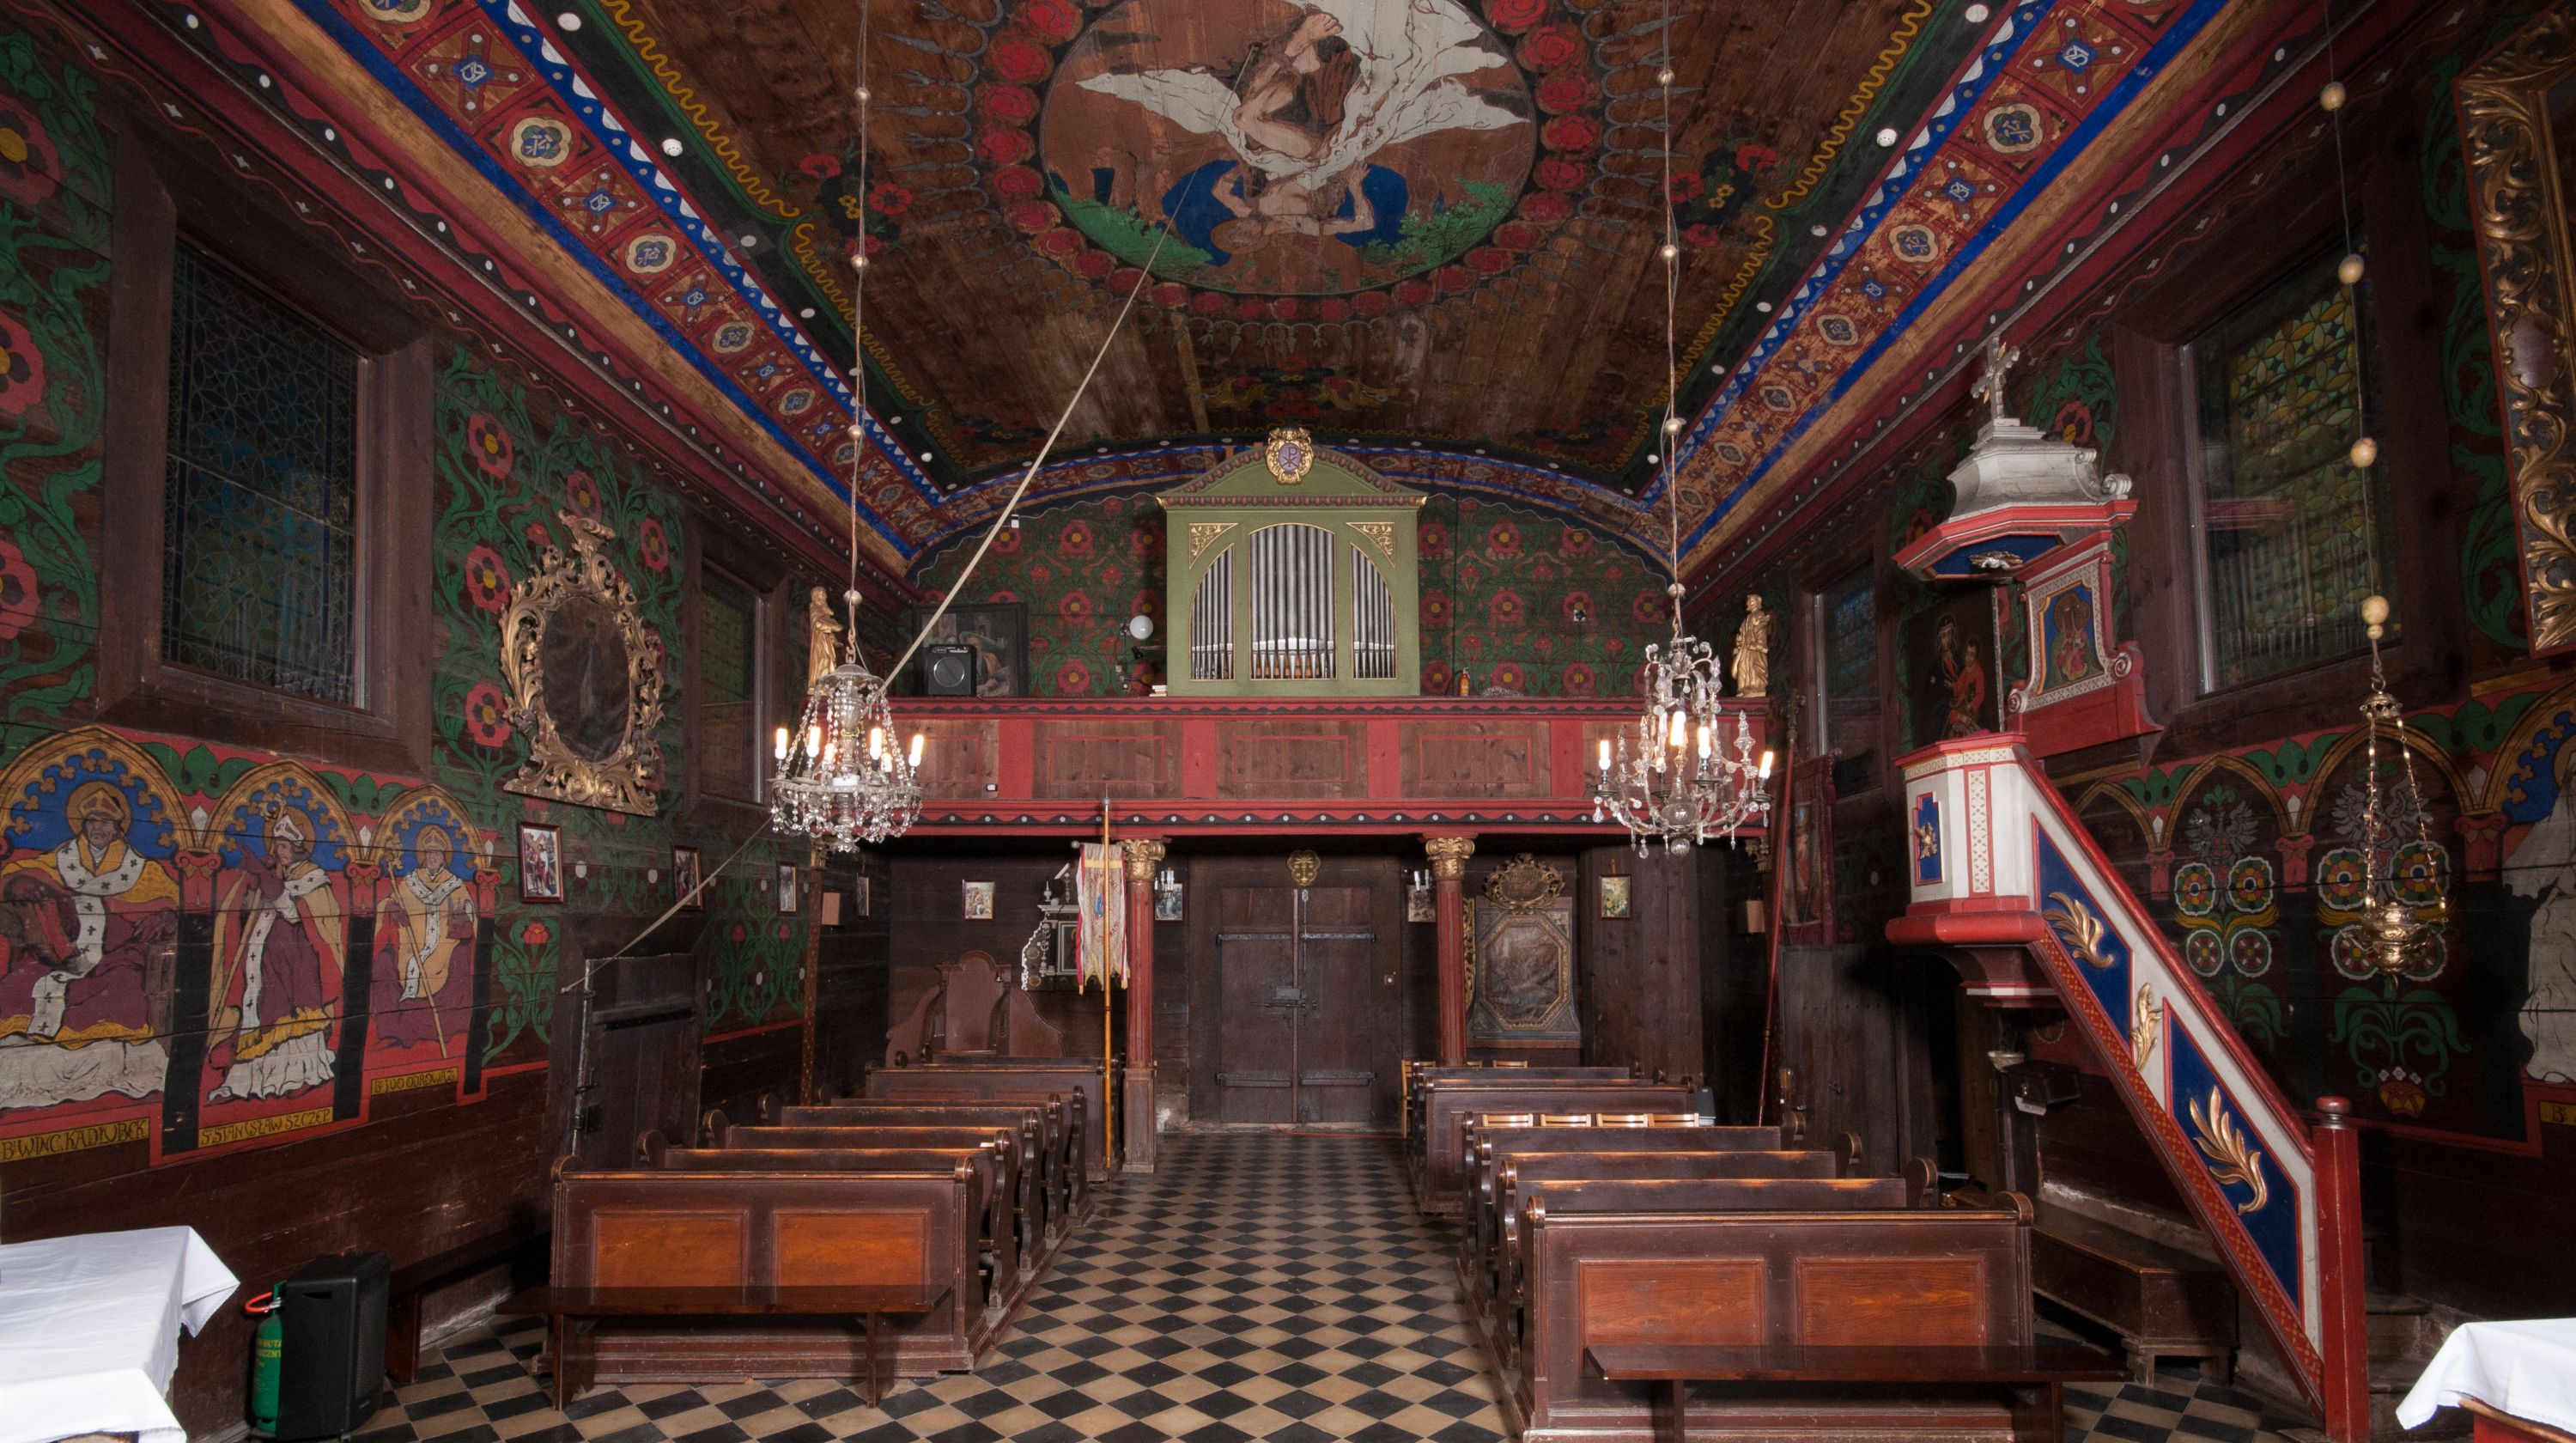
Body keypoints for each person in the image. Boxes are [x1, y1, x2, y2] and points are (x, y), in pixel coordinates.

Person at [0, 782, 179, 1108]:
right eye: (93, 821)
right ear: (82, 825)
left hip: (115, 956)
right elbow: (19, 873)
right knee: (15, 986)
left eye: (105, 822)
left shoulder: (141, 868)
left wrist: (166, 914)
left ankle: (106, 1079)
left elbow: (172, 898)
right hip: (59, 958)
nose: (99, 828)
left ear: (117, 827)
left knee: (124, 993)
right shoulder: (62, 859)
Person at [209, 808, 343, 1102]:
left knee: (287, 1023)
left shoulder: (314, 877)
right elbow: (250, 909)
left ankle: (301, 1076)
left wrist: (267, 879)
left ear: (297, 848)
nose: (279, 851)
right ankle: (242, 1083)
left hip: (297, 968)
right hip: (267, 964)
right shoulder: (278, 874)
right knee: (257, 1018)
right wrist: (253, 880)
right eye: (276, 846)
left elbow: (296, 914)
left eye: (283, 846)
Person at [372, 825, 477, 1057]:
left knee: (433, 965)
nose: (432, 858)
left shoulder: (455, 884)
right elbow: (388, 902)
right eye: (429, 853)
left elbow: (470, 913)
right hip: (412, 944)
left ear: (443, 857)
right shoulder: (410, 882)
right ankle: (398, 1030)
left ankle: (437, 1030)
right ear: (423, 855)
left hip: (444, 947)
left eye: (437, 853)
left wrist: (463, 919)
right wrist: (392, 909)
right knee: (396, 963)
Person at [2505, 742, 2576, 1082]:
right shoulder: (2560, 825)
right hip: (2562, 917)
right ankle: (2558, 1055)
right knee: (2551, 937)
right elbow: (2523, 875)